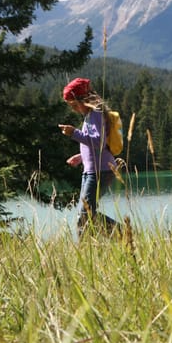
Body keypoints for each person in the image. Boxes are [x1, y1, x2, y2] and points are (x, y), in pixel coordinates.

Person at [58, 77, 120, 238]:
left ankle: (122, 233)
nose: (73, 109)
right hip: (92, 171)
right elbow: (97, 144)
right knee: (86, 214)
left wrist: (74, 133)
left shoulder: (96, 114)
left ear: (83, 100)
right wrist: (81, 157)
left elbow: (98, 141)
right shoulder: (91, 115)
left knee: (84, 215)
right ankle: (119, 235)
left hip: (101, 171)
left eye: (74, 105)